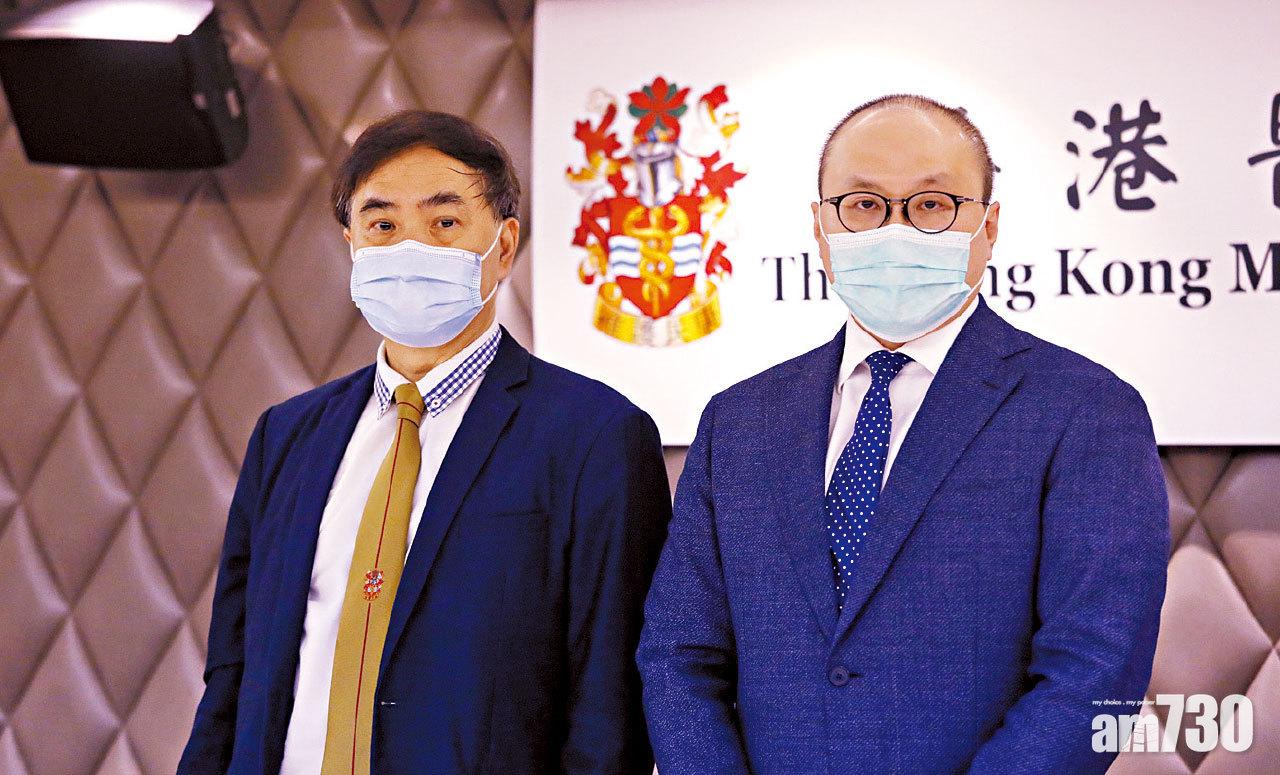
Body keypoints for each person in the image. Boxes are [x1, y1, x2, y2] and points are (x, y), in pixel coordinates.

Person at [637, 94, 1170, 774]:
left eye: (932, 204)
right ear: (820, 227)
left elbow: (1096, 665)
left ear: (988, 226)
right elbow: (679, 654)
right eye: (863, 204)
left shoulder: (1085, 409)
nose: (896, 229)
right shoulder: (740, 421)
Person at [179, 110, 671, 774]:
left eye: (444, 222)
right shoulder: (287, 436)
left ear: (503, 246)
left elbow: (609, 709)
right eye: (382, 225)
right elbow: (233, 674)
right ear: (351, 243)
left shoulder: (595, 436)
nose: (410, 247)